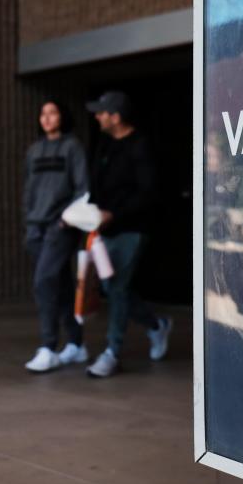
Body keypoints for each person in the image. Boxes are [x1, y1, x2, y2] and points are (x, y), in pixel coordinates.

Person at [83, 91, 172, 378]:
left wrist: (115, 214)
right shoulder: (105, 144)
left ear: (116, 116)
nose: (97, 116)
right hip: (104, 229)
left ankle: (112, 352)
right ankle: (156, 325)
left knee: (118, 287)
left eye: (102, 112)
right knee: (111, 289)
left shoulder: (139, 146)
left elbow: (148, 193)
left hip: (131, 230)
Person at [23, 99, 89, 372]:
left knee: (43, 282)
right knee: (59, 286)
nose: (47, 118)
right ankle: (76, 344)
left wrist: (65, 220)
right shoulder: (34, 150)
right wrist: (28, 222)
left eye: (53, 112)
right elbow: (29, 189)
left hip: (60, 227)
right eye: (43, 113)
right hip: (35, 228)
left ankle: (48, 346)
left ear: (62, 116)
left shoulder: (72, 146)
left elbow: (82, 187)